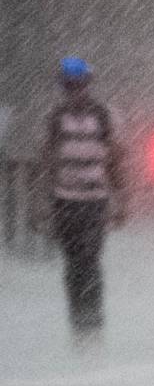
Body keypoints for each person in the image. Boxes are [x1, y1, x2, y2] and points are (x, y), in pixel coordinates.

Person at [33, 56, 127, 348]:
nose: (75, 90)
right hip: (64, 201)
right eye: (69, 85)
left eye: (79, 84)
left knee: (89, 262)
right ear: (63, 86)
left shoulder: (105, 116)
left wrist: (121, 200)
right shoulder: (53, 118)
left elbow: (115, 161)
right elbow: (45, 164)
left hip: (95, 201)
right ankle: (79, 326)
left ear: (88, 84)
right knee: (74, 264)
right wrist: (41, 206)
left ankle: (93, 325)